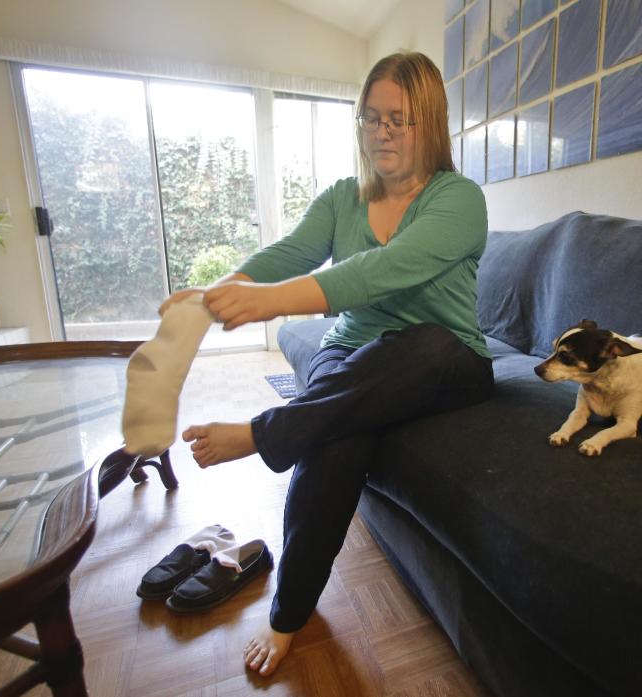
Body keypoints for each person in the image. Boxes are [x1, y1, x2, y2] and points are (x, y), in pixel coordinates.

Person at [158, 51, 495, 677]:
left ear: (432, 122)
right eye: (371, 118)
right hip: (356, 357)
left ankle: (264, 434)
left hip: (444, 356)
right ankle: (289, 616)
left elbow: (381, 272)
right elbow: (292, 251)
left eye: (400, 118)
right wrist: (218, 294)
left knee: (422, 343)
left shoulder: (459, 199)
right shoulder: (344, 198)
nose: (382, 131)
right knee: (337, 443)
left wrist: (265, 305)